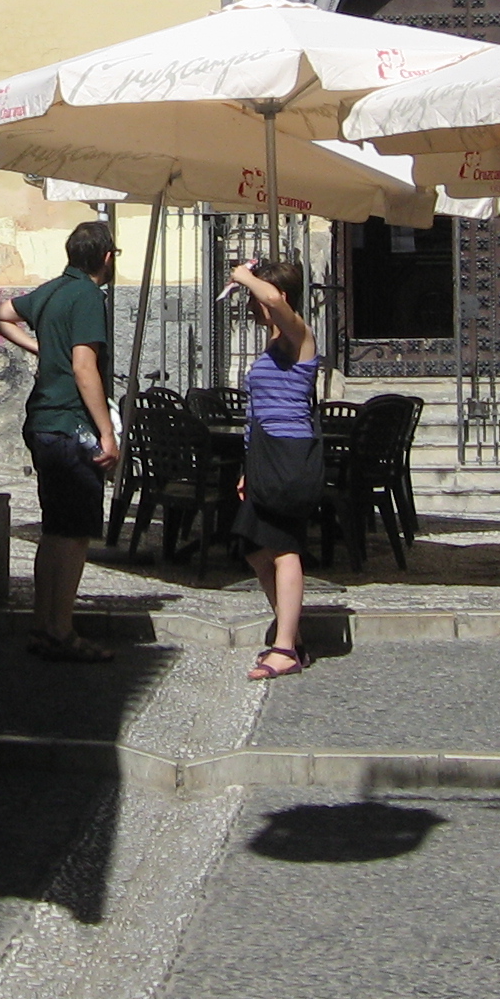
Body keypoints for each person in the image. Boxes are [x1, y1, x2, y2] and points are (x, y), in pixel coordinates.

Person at [0, 220, 119, 663]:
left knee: (55, 530)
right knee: (74, 536)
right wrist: (107, 432)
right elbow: (84, 367)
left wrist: (39, 348)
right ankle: (61, 629)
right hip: (69, 425)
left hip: (42, 421)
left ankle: (44, 624)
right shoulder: (87, 297)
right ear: (107, 258)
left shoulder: (52, 291)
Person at [228, 257, 321, 681]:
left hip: (289, 453)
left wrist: (243, 276)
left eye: (255, 298)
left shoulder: (300, 336)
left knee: (284, 547)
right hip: (266, 452)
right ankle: (292, 634)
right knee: (255, 548)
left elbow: (273, 299)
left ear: (277, 297)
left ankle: (284, 649)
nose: (251, 304)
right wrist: (248, 466)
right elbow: (257, 410)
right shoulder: (273, 344)